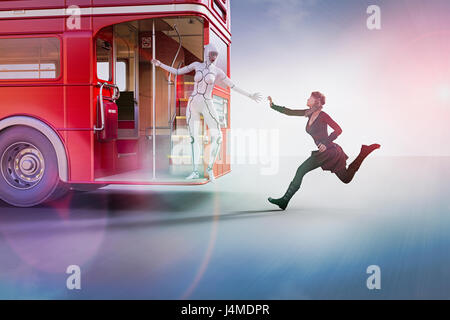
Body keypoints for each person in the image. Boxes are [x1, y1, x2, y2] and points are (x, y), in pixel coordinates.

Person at [152, 44, 261, 181]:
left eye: (216, 54)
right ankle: (195, 171)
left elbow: (232, 85)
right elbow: (177, 71)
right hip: (193, 104)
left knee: (218, 137)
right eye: (212, 53)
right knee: (193, 139)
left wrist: (250, 95)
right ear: (207, 53)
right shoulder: (196, 65)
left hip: (207, 104)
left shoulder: (217, 71)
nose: (214, 57)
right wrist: (160, 64)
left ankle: (209, 169)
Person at [267, 92, 381, 210]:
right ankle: (364, 152)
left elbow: (338, 130)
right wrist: (273, 105)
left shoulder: (323, 115)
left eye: (310, 98)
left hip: (329, 151)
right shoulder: (308, 113)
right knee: (346, 178)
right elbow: (290, 112)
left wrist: (325, 143)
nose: (307, 99)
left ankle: (284, 201)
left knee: (301, 170)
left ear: (317, 101)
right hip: (326, 153)